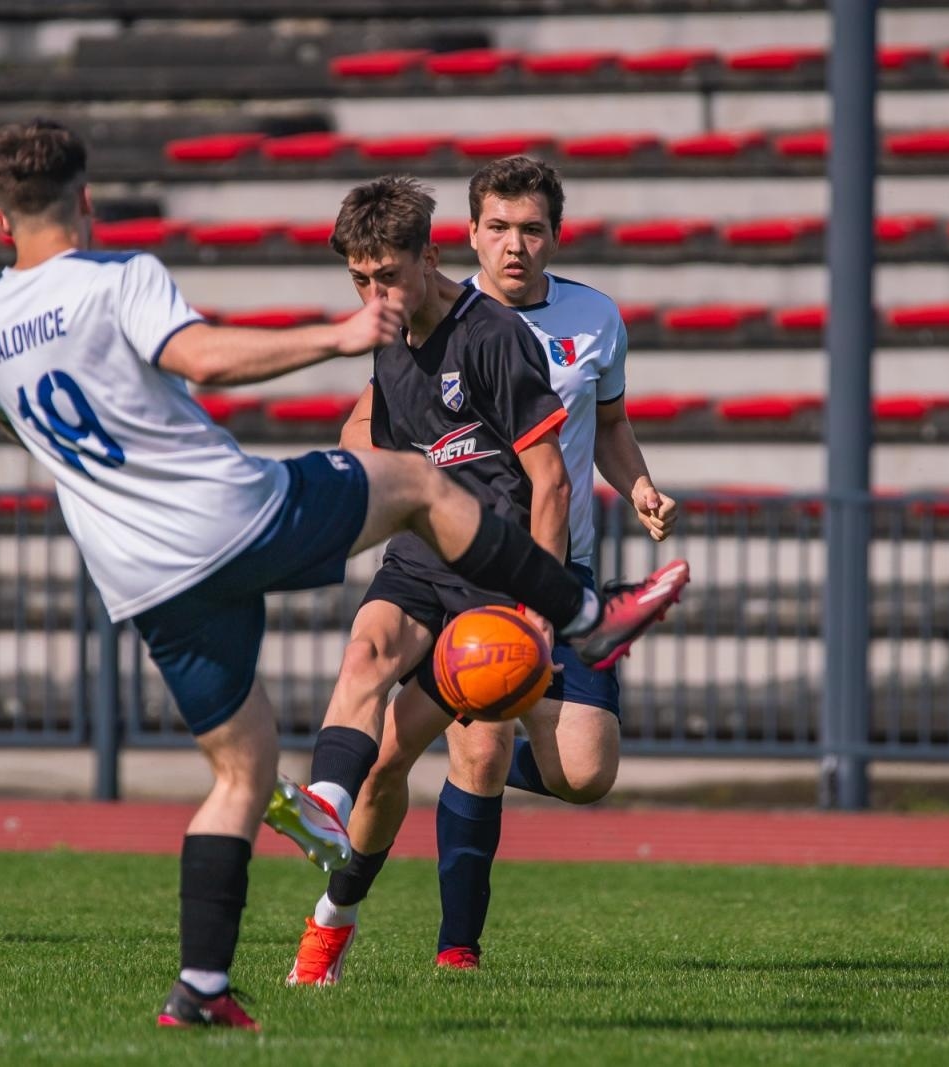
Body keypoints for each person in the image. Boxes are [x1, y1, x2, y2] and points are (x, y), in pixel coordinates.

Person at [0, 121, 686, 1031]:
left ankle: (228, 959)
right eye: (362, 285)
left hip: (137, 566)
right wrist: (340, 347)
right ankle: (316, 901)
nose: (374, 297)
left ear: (0, 220)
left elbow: (546, 474)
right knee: (389, 597)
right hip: (270, 526)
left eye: (386, 279)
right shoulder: (126, 279)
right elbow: (209, 362)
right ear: (88, 202)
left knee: (260, 764)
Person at [288, 157, 681, 985]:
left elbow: (563, 469)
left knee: (575, 769)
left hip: (517, 569)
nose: (374, 297)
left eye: (530, 228)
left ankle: (346, 898)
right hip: (425, 562)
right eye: (497, 227)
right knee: (373, 662)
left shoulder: (532, 332)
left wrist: (543, 590)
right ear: (465, 237)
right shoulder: (392, 335)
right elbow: (368, 428)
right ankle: (379, 895)